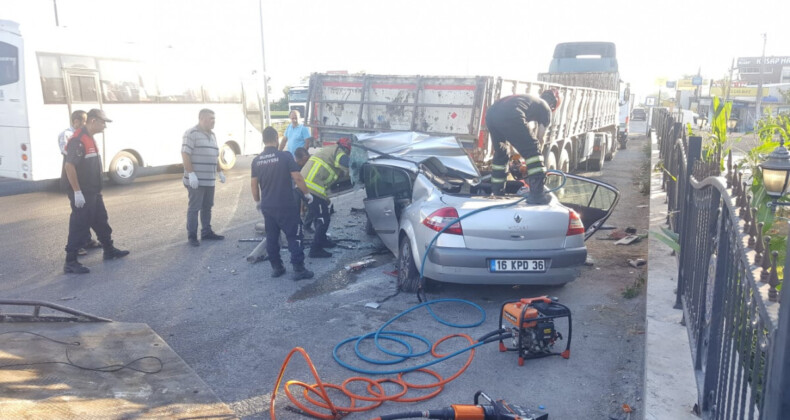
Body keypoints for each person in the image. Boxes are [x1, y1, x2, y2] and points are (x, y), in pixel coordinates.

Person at [62, 109, 129, 274]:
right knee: (79, 225)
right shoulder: (78, 139)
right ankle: (70, 261)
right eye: (103, 122)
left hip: (93, 191)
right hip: (83, 192)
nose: (105, 126)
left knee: (101, 220)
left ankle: (109, 249)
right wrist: (77, 192)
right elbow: (69, 166)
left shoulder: (90, 137)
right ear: (92, 121)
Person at [251, 126, 314, 280]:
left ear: (263, 140)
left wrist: (258, 201)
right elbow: (297, 177)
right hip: (286, 205)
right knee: (294, 236)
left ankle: (277, 268)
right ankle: (299, 269)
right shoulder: (285, 156)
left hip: (268, 206)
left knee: (272, 237)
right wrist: (307, 194)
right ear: (276, 139)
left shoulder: (256, 160)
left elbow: (254, 184)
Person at [484, 89, 561, 204]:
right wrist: (532, 161)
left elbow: (514, 133)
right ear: (553, 106)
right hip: (510, 113)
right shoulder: (546, 108)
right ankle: (537, 195)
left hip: (491, 114)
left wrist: (516, 153)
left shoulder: (530, 100)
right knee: (533, 150)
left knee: (501, 153)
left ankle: (497, 192)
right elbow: (540, 139)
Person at [300, 137, 351, 258]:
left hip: (306, 186)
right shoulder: (339, 152)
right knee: (324, 219)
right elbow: (345, 162)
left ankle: (322, 240)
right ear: (346, 148)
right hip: (311, 187)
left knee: (320, 215)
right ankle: (315, 250)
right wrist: (358, 164)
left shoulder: (331, 150)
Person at [59, 110, 101, 255]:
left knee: (88, 215)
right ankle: (75, 248)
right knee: (80, 216)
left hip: (87, 185)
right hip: (76, 184)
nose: (85, 123)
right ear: (76, 121)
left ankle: (87, 240)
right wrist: (77, 191)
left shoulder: (87, 136)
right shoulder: (73, 137)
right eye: (83, 121)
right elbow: (70, 164)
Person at [181, 109, 226, 247]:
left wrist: (220, 172)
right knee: (194, 208)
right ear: (202, 119)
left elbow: (214, 155)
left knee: (207, 207)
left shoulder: (213, 135)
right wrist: (191, 174)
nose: (213, 121)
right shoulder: (191, 133)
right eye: (211, 118)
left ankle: (206, 232)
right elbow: (185, 154)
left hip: (209, 179)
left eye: (214, 118)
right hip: (196, 180)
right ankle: (192, 236)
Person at [293, 147, 315, 233]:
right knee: (295, 208)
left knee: (312, 207)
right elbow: (297, 180)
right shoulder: (294, 165)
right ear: (304, 158)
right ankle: (298, 229)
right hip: (297, 188)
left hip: (307, 188)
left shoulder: (311, 161)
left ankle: (306, 226)